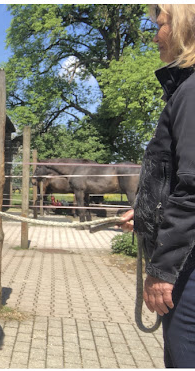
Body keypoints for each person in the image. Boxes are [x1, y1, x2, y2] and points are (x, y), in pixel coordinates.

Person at [118, 4, 195, 367]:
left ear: (183, 27)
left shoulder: (192, 93)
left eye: (160, 25)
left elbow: (193, 188)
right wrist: (145, 212)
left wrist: (162, 272)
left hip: (187, 269)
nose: (155, 36)